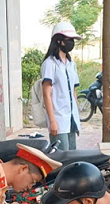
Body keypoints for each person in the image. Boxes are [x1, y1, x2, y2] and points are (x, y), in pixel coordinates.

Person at [41, 21, 82, 151]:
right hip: (58, 118)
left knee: (72, 158)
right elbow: (47, 94)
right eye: (69, 40)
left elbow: (73, 92)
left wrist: (77, 118)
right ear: (59, 41)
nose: (71, 43)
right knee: (61, 158)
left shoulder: (71, 64)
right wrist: (52, 121)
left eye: (72, 40)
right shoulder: (49, 64)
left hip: (71, 119)